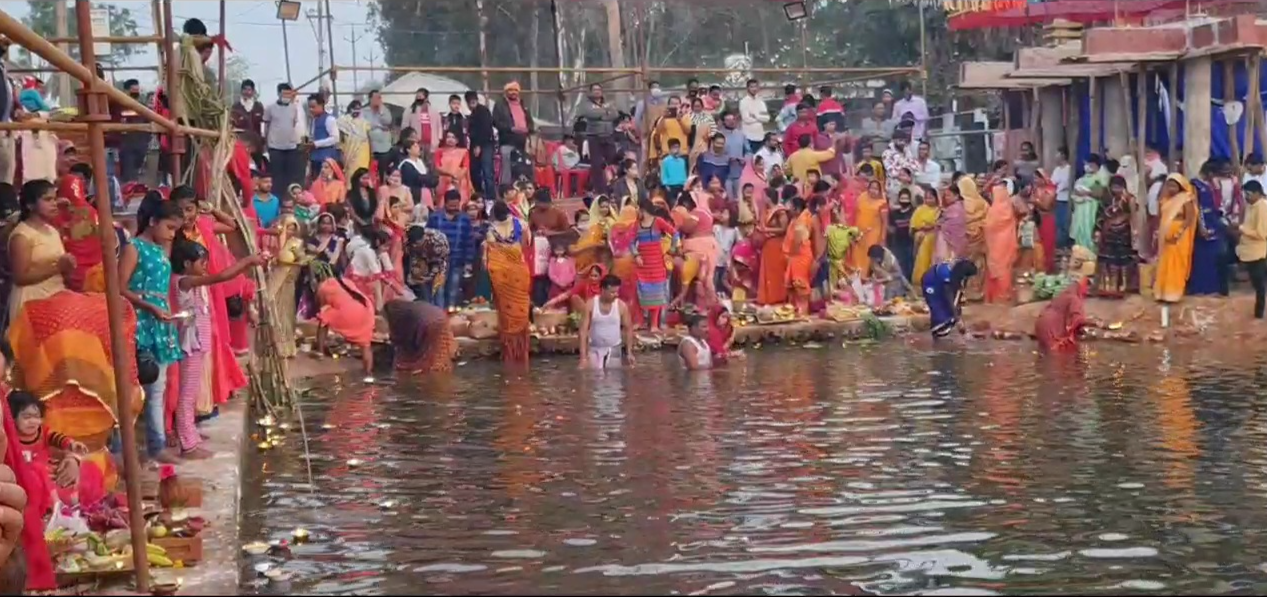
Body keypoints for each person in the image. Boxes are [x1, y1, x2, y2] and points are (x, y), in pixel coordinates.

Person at [171, 241, 264, 458]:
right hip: (189, 345)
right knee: (186, 395)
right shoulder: (184, 281)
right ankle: (188, 445)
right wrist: (248, 261)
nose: (206, 267)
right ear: (186, 263)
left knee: (191, 394)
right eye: (202, 263)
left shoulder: (191, 280)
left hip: (198, 344)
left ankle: (190, 434)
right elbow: (221, 277)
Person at [170, 186, 250, 412]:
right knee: (192, 346)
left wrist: (213, 209)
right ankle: (196, 402)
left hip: (209, 289)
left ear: (197, 208)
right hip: (185, 292)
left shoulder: (203, 225)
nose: (187, 215)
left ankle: (214, 392)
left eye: (190, 209)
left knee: (214, 338)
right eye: (181, 210)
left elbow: (232, 225)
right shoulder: (172, 232)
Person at [120, 197, 183, 464]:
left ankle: (156, 446)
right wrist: (148, 305)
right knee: (133, 384)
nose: (172, 235)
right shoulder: (134, 248)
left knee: (158, 386)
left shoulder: (161, 249)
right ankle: (123, 449)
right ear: (153, 222)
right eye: (169, 228)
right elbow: (119, 287)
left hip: (160, 319)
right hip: (138, 320)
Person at [7, 180, 70, 323]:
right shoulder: (22, 236)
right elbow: (21, 277)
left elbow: (59, 267)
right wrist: (57, 267)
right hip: (31, 301)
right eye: (48, 199)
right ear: (30, 205)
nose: (54, 203)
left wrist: (67, 267)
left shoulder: (52, 231)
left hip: (55, 299)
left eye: (55, 198)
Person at [485, 201, 533, 363]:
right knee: (520, 311)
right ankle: (522, 352)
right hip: (519, 272)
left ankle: (510, 353)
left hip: (502, 276)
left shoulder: (491, 231)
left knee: (507, 314)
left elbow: (492, 257)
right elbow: (526, 246)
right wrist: (514, 252)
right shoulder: (521, 224)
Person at [1153, 174, 1198, 308]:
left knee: (1176, 264)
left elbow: (1189, 219)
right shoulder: (1164, 200)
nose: (1171, 188)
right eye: (1169, 185)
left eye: (1174, 186)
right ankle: (1161, 293)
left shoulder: (1186, 199)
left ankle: (1174, 293)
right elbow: (1160, 218)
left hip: (1180, 236)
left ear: (1180, 187)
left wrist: (1178, 233)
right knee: (1164, 262)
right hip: (1165, 235)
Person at [315, 277, 376, 375]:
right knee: (365, 345)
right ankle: (368, 373)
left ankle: (320, 351)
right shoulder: (345, 281)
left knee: (324, 318)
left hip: (347, 313)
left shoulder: (324, 288)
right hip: (364, 311)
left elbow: (321, 307)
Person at [631, 199, 676, 332]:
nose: (637, 212)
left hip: (657, 263)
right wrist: (636, 255)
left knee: (657, 293)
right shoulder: (636, 225)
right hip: (642, 265)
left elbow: (675, 233)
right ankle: (640, 321)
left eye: (638, 210)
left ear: (643, 210)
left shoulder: (658, 222)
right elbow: (631, 242)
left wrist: (671, 250)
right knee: (641, 292)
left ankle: (654, 325)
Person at [427, 190, 475, 308]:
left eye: (456, 205)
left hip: (457, 261)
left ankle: (451, 316)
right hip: (438, 263)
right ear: (445, 202)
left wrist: (468, 262)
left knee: (453, 291)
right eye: (451, 205)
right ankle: (439, 318)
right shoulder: (435, 217)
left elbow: (469, 241)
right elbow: (427, 238)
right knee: (438, 291)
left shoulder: (465, 219)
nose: (454, 208)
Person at [1188, 160, 1229, 296]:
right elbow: (1196, 208)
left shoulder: (1209, 185)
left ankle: (1213, 287)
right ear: (1210, 172)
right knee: (1202, 258)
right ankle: (1200, 288)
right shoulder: (1195, 186)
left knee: (1214, 256)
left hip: (1213, 223)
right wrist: (1201, 227)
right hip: (1204, 225)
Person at [577, 274, 635, 370]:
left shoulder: (621, 306)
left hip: (614, 349)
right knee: (595, 380)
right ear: (603, 290)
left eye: (617, 292)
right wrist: (583, 357)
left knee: (614, 381)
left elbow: (628, 329)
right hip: (594, 349)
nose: (616, 295)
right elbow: (583, 331)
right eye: (612, 292)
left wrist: (629, 353)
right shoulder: (590, 305)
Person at [383, 299, 455, 374]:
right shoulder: (406, 309)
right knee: (439, 353)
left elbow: (404, 335)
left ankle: (429, 374)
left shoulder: (397, 315)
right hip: (440, 317)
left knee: (429, 357)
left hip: (430, 325)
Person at [263, 83, 306, 195]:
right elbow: (266, 126)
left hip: (291, 147)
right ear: (278, 93)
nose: (287, 96)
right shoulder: (270, 108)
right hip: (275, 147)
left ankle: (289, 200)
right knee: (277, 177)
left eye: (289, 93)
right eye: (284, 93)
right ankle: (277, 200)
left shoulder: (294, 108)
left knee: (290, 176)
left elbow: (294, 124)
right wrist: (266, 143)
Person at [1098, 175, 1137, 297]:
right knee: (1109, 261)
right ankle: (1110, 287)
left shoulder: (1129, 199)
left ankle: (1123, 287)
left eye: (1119, 187)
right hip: (1108, 235)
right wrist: (1097, 231)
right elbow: (1099, 216)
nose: (1116, 189)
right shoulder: (1106, 199)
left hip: (1123, 234)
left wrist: (1135, 231)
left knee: (1123, 261)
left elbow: (1133, 216)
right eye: (1114, 187)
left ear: (1124, 187)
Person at [983, 182, 1021, 303]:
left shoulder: (995, 210)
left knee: (997, 268)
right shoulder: (1008, 208)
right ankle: (1005, 294)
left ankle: (996, 296)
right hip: (1006, 243)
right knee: (1005, 268)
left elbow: (989, 226)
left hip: (996, 244)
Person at [923, 259, 978, 338]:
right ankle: (937, 334)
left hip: (942, 284)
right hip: (931, 284)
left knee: (953, 312)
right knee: (940, 312)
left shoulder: (960, 278)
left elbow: (957, 298)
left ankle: (946, 330)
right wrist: (957, 318)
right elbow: (949, 298)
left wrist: (958, 316)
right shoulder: (946, 273)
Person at [494, 82, 535, 186]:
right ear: (506, 92)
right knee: (507, 166)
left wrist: (528, 129)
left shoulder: (523, 105)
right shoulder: (500, 105)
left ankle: (524, 188)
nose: (513, 93)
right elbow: (496, 121)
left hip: (522, 141)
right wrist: (511, 128)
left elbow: (530, 122)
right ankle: (505, 190)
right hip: (507, 140)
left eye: (516, 90)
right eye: (510, 90)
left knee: (524, 166)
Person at [1034, 277, 1091, 351]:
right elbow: (1078, 318)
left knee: (1044, 352)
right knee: (1057, 353)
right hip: (1051, 327)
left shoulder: (1062, 295)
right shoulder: (1074, 299)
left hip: (1040, 323)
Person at [1237, 179, 1267, 318]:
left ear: (1257, 193)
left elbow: (1261, 234)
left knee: (1259, 286)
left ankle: (1259, 315)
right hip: (1249, 251)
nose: (1246, 197)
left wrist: (1241, 229)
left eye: (1248, 194)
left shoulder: (1262, 207)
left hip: (1258, 252)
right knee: (1257, 285)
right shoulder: (1251, 205)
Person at [848, 179, 889, 273]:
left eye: (876, 189)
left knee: (868, 257)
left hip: (873, 234)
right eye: (871, 188)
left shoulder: (882, 203)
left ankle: (864, 277)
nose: (873, 190)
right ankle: (856, 277)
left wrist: (882, 239)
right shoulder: (861, 198)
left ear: (880, 191)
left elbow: (885, 222)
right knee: (856, 255)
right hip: (859, 232)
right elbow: (855, 214)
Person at [959, 176, 989, 301]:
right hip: (980, 237)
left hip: (964, 239)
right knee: (979, 264)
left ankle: (964, 292)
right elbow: (989, 217)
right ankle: (977, 291)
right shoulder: (981, 202)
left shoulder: (960, 204)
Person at [783, 197, 815, 315]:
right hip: (800, 256)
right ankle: (795, 312)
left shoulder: (801, 223)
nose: (788, 209)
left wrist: (790, 256)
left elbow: (796, 244)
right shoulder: (801, 218)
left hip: (799, 257)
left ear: (796, 209)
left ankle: (802, 314)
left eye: (790, 207)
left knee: (800, 287)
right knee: (795, 289)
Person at [1070, 154, 1106, 252]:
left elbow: (1100, 193)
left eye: (1090, 164)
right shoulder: (1080, 180)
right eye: (1086, 164)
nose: (1087, 166)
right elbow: (1074, 194)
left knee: (1090, 230)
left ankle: (1091, 255)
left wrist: (1087, 192)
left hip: (1092, 209)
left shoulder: (1100, 178)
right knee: (1080, 230)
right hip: (1080, 209)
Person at [466, 90, 497, 196]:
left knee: (487, 171)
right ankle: (479, 194)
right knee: (475, 171)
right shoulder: (472, 114)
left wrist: (479, 145)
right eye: (469, 101)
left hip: (485, 145)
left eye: (473, 100)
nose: (472, 103)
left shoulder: (483, 111)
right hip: (475, 145)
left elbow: (486, 129)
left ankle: (490, 196)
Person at [363, 90, 396, 178]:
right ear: (370, 99)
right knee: (370, 170)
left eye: (379, 98)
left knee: (383, 171)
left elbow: (388, 121)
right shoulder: (364, 111)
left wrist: (381, 109)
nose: (378, 100)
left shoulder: (385, 110)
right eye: (376, 98)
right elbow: (365, 125)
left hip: (384, 147)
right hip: (370, 147)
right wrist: (380, 126)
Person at [435, 130, 472, 207]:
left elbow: (465, 168)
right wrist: (451, 174)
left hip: (459, 181)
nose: (450, 139)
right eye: (448, 137)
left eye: (453, 137)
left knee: (459, 204)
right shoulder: (439, 151)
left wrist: (457, 177)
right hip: (443, 181)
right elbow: (437, 167)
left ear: (457, 140)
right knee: (442, 206)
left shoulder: (463, 152)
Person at [336, 99, 371, 175]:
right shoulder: (343, 121)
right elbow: (340, 137)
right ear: (350, 109)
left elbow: (368, 136)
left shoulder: (364, 122)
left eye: (359, 109)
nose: (356, 111)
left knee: (361, 173)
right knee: (350, 173)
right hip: (349, 150)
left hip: (362, 151)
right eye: (354, 108)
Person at [714, 206, 740, 296]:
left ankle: (731, 295)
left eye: (725, 213)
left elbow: (740, 243)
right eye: (722, 213)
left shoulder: (734, 230)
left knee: (724, 280)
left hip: (726, 261)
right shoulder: (716, 228)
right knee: (715, 280)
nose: (722, 215)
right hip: (715, 259)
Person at [739, 78, 769, 154]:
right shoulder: (743, 102)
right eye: (751, 87)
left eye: (756, 86)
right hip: (748, 136)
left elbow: (766, 118)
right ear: (747, 88)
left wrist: (755, 116)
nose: (754, 89)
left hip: (760, 136)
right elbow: (746, 119)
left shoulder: (761, 102)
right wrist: (759, 118)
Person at [1051, 148, 1073, 249]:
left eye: (1057, 155)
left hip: (1065, 199)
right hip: (1056, 199)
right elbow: (1053, 182)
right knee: (1057, 223)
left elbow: (1065, 183)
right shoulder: (1056, 169)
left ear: (1063, 156)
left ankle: (1064, 244)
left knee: (1064, 223)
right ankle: (1058, 245)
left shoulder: (1069, 169)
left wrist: (1058, 188)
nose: (1055, 157)